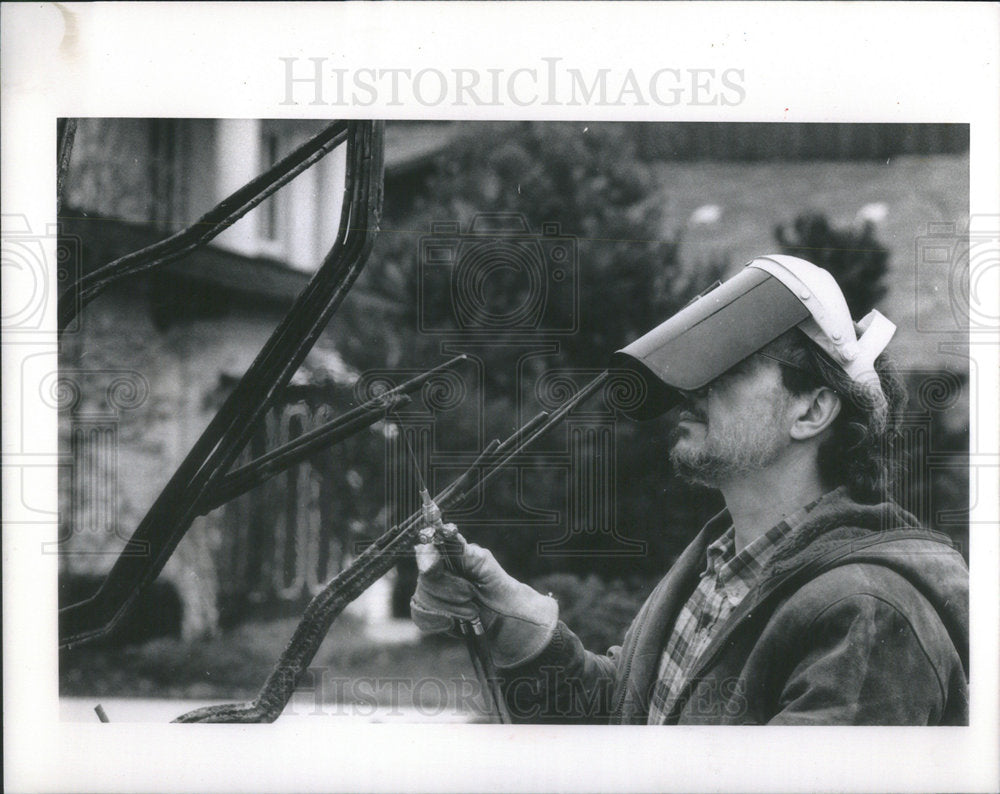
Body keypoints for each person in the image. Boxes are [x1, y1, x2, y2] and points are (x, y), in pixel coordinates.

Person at [410, 254, 969, 725]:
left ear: (813, 409)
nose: (689, 390)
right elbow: (630, 721)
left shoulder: (867, 613)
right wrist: (514, 620)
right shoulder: (719, 562)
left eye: (730, 368)